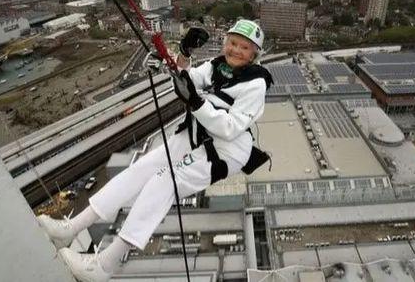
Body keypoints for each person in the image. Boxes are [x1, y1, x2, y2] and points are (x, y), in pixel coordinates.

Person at [36, 19, 273, 282]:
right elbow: (187, 78)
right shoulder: (217, 66)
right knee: (139, 170)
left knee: (164, 181)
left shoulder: (256, 84)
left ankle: (105, 264)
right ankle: (72, 228)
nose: (236, 50)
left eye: (244, 47)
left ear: (254, 55)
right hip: (198, 134)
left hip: (226, 150)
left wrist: (194, 101)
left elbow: (229, 127)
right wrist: (181, 54)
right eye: (232, 43)